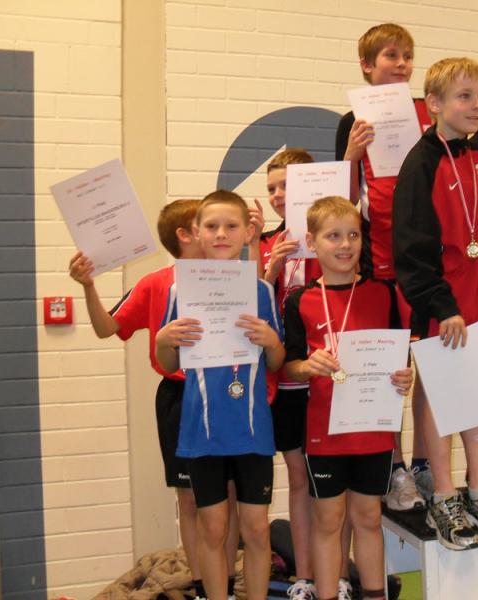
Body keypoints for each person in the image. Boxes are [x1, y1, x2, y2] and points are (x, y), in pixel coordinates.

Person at [68, 200, 240, 600]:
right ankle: (202, 587)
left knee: (228, 496)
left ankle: (228, 586)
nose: (215, 232)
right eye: (204, 224)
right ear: (186, 234)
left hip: (225, 393)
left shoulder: (233, 277)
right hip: (179, 396)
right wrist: (88, 286)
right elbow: (107, 328)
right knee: (190, 498)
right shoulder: (155, 283)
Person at [393, 56, 478, 551]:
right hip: (441, 299)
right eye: (464, 97)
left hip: (476, 295)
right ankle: (444, 496)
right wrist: (441, 303)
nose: (476, 106)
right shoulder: (420, 163)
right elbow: (411, 245)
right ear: (434, 104)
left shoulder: (475, 155)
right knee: (442, 393)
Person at [156, 190, 285, 600]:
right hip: (202, 431)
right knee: (212, 529)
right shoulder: (180, 291)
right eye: (211, 226)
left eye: (231, 226)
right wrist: (163, 339)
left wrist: (270, 341)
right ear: (196, 233)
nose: (221, 234)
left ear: (248, 231)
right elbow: (168, 361)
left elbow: (278, 362)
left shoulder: (262, 291)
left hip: (252, 430)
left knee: (257, 529)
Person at [283, 196, 413, 600]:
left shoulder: (384, 293)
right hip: (324, 432)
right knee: (328, 521)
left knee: (369, 518)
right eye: (334, 236)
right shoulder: (299, 300)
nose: (345, 245)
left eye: (353, 235)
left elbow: (399, 354)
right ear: (312, 241)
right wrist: (308, 366)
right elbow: (288, 365)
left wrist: (404, 375)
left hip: (373, 431)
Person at [335, 22, 430, 509]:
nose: (402, 63)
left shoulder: (428, 113)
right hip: (378, 263)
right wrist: (352, 155)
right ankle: (394, 468)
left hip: (427, 262)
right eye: (391, 55)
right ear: (367, 65)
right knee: (390, 368)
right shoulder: (352, 119)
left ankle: (426, 464)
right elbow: (342, 204)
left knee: (430, 368)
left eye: (407, 55)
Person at [258, 148, 324, 600]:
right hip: (286, 381)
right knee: (299, 478)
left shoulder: (332, 238)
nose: (279, 195)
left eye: (288, 185)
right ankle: (303, 575)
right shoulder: (267, 243)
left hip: (326, 377)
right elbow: (249, 309)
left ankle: (334, 575)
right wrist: (270, 271)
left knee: (331, 484)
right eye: (272, 188)